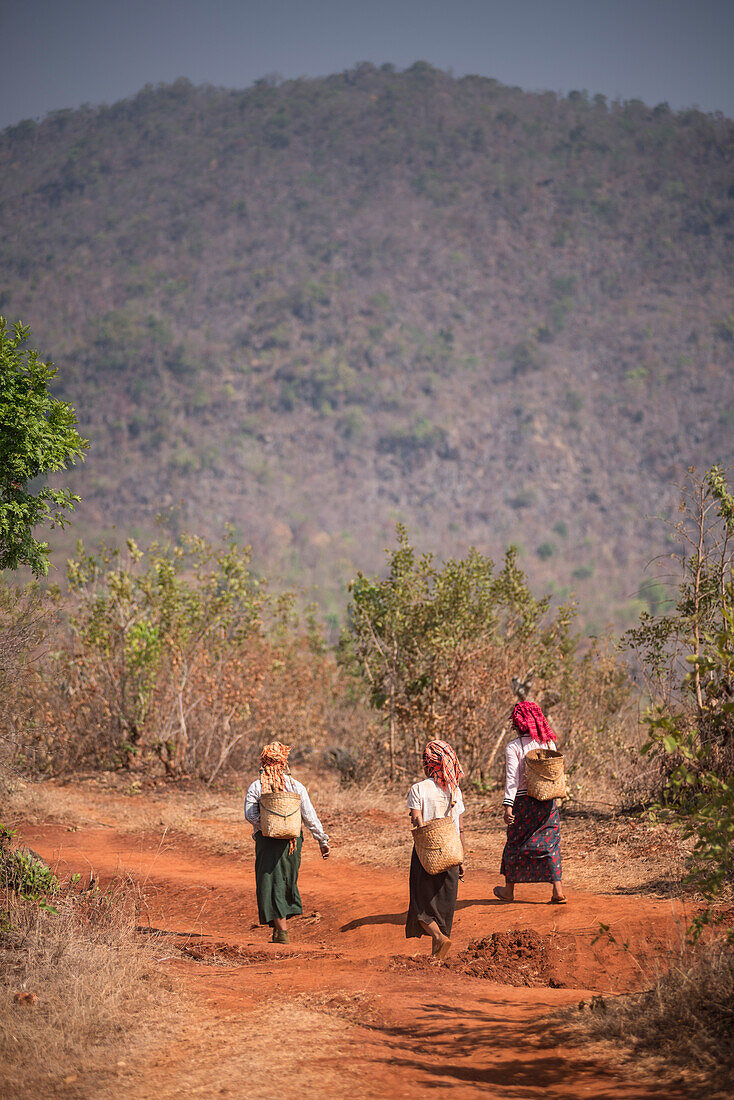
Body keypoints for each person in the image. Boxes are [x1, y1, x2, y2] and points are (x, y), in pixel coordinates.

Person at [244, 740, 331, 944]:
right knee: (284, 881)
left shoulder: (257, 786)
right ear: (283, 762)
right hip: (293, 842)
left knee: (270, 882)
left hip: (267, 842)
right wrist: (322, 839)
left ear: (264, 762)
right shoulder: (295, 785)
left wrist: (267, 826)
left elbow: (249, 815)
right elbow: (309, 815)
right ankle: (279, 930)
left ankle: (282, 933)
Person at [494, 700, 566, 905]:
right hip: (546, 801)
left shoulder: (514, 747)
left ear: (517, 724)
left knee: (515, 842)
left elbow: (512, 780)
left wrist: (508, 807)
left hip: (523, 802)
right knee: (550, 842)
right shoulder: (549, 744)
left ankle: (509, 890)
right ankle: (557, 890)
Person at [406, 739, 465, 959]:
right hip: (451, 851)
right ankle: (438, 956)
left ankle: (439, 939)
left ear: (428, 763)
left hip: (426, 855)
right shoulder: (455, 790)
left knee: (420, 906)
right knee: (445, 906)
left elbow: (416, 820)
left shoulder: (418, 789)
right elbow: (459, 826)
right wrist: (460, 859)